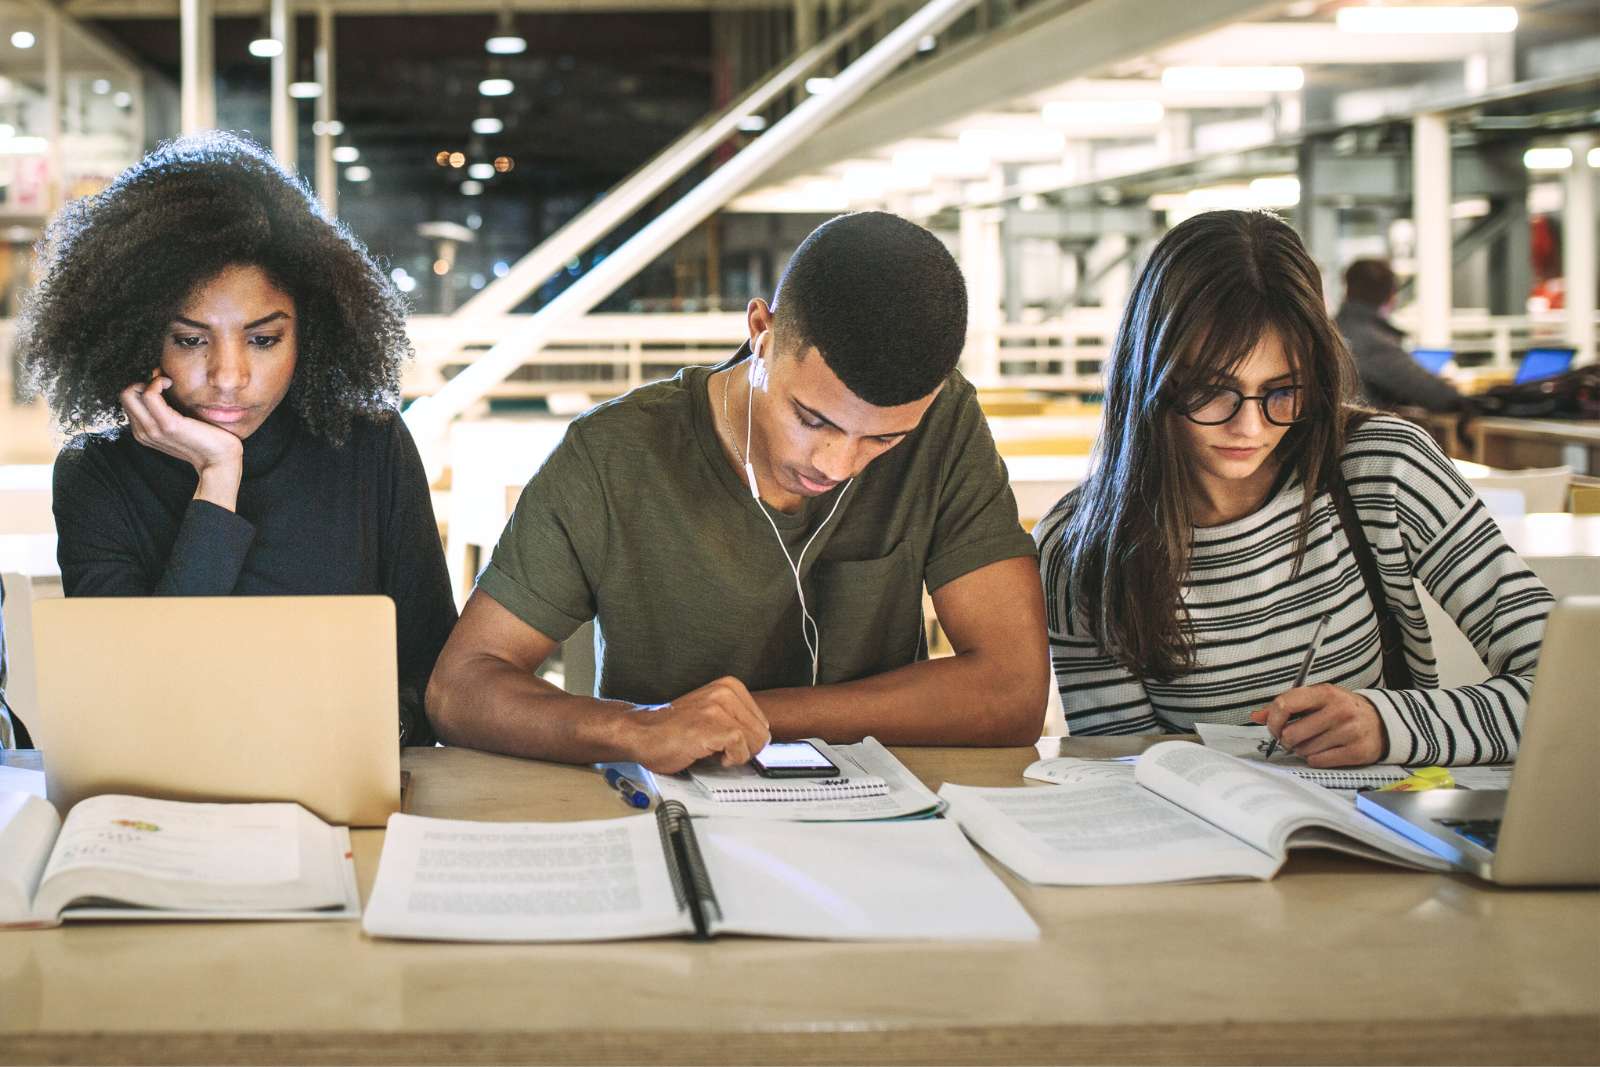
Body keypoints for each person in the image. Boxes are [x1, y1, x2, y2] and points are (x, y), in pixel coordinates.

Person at [427, 211, 1048, 773]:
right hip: (670, 817)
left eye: (883, 440)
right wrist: (637, 727)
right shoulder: (613, 455)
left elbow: (1014, 693)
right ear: (762, 332)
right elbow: (460, 690)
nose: (838, 463)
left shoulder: (947, 424)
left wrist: (755, 718)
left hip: (884, 822)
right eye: (812, 419)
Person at [1036, 211, 1551, 768]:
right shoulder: (1081, 547)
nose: (1251, 428)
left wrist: (1390, 724)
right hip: (1204, 845)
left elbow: (1574, 689)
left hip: (1391, 839)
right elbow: (1123, 768)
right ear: (1151, 378)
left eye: (1283, 391)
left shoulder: (1384, 468)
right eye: (1214, 391)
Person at [17, 131, 456, 745]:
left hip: (348, 789)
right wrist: (217, 478)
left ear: (311, 332)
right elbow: (137, 697)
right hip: (171, 799)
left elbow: (438, 677)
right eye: (192, 340)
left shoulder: (369, 447)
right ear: (138, 337)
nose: (229, 377)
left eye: (263, 338)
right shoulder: (95, 475)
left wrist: (371, 734)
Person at [1335, 258, 1464, 413]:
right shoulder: (1373, 341)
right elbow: (1431, 393)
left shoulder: (1332, 329)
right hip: (1365, 432)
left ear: (1347, 289)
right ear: (1391, 296)